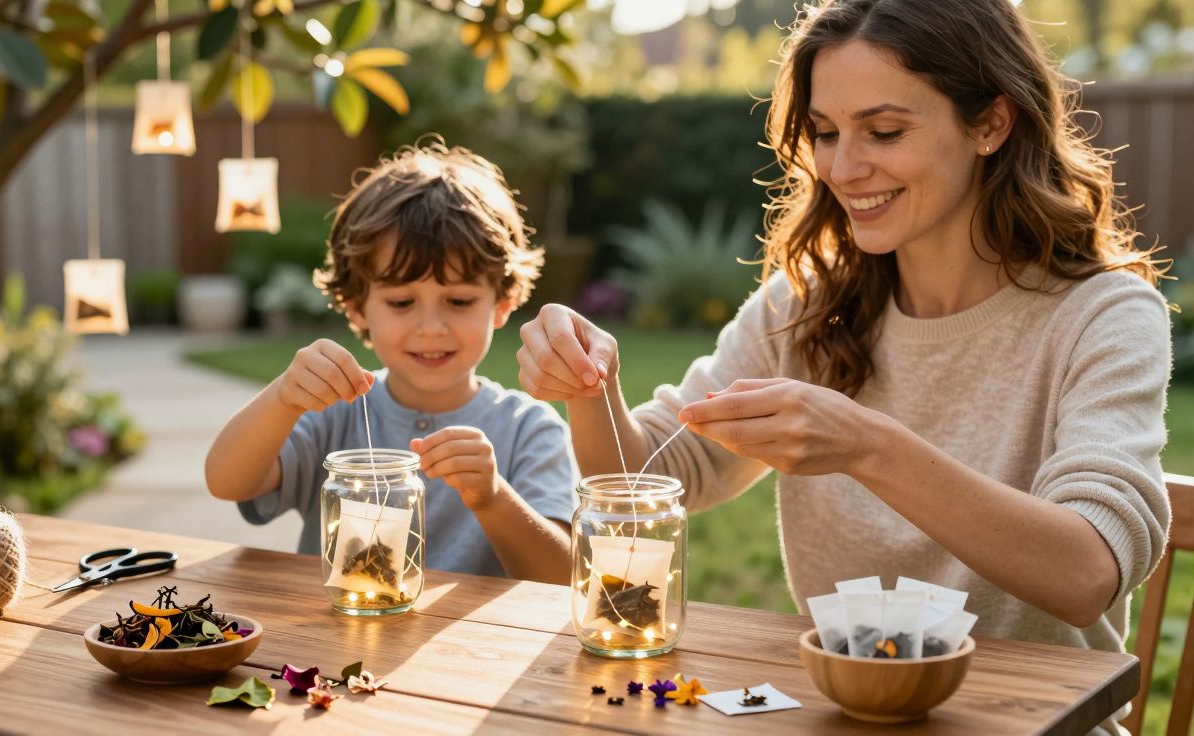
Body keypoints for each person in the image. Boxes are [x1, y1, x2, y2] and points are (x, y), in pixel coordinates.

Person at [517, 1, 1169, 728]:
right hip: (848, 719)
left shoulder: (1102, 316)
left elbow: (1087, 574)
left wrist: (865, 445)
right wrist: (585, 384)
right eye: (826, 133)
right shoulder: (807, 304)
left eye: (884, 131)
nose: (843, 168)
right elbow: (651, 479)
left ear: (991, 122)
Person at [207, 140, 575, 584]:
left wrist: (492, 496)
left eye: (458, 300)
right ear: (357, 306)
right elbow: (227, 482)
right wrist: (284, 398)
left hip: (477, 651)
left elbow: (561, 578)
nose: (431, 327)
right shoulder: (334, 413)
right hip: (336, 644)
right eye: (402, 302)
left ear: (503, 302)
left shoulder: (528, 428)